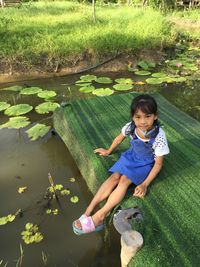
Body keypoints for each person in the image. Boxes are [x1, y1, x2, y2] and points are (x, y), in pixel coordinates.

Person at [73, 94, 169, 235]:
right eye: (138, 117)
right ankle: (88, 212)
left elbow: (159, 164)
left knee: (124, 181)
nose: (143, 121)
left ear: (155, 116)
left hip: (145, 163)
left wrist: (145, 184)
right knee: (114, 177)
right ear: (132, 117)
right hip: (131, 156)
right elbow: (119, 139)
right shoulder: (130, 127)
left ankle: (99, 216)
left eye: (147, 116)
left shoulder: (159, 136)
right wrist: (108, 151)